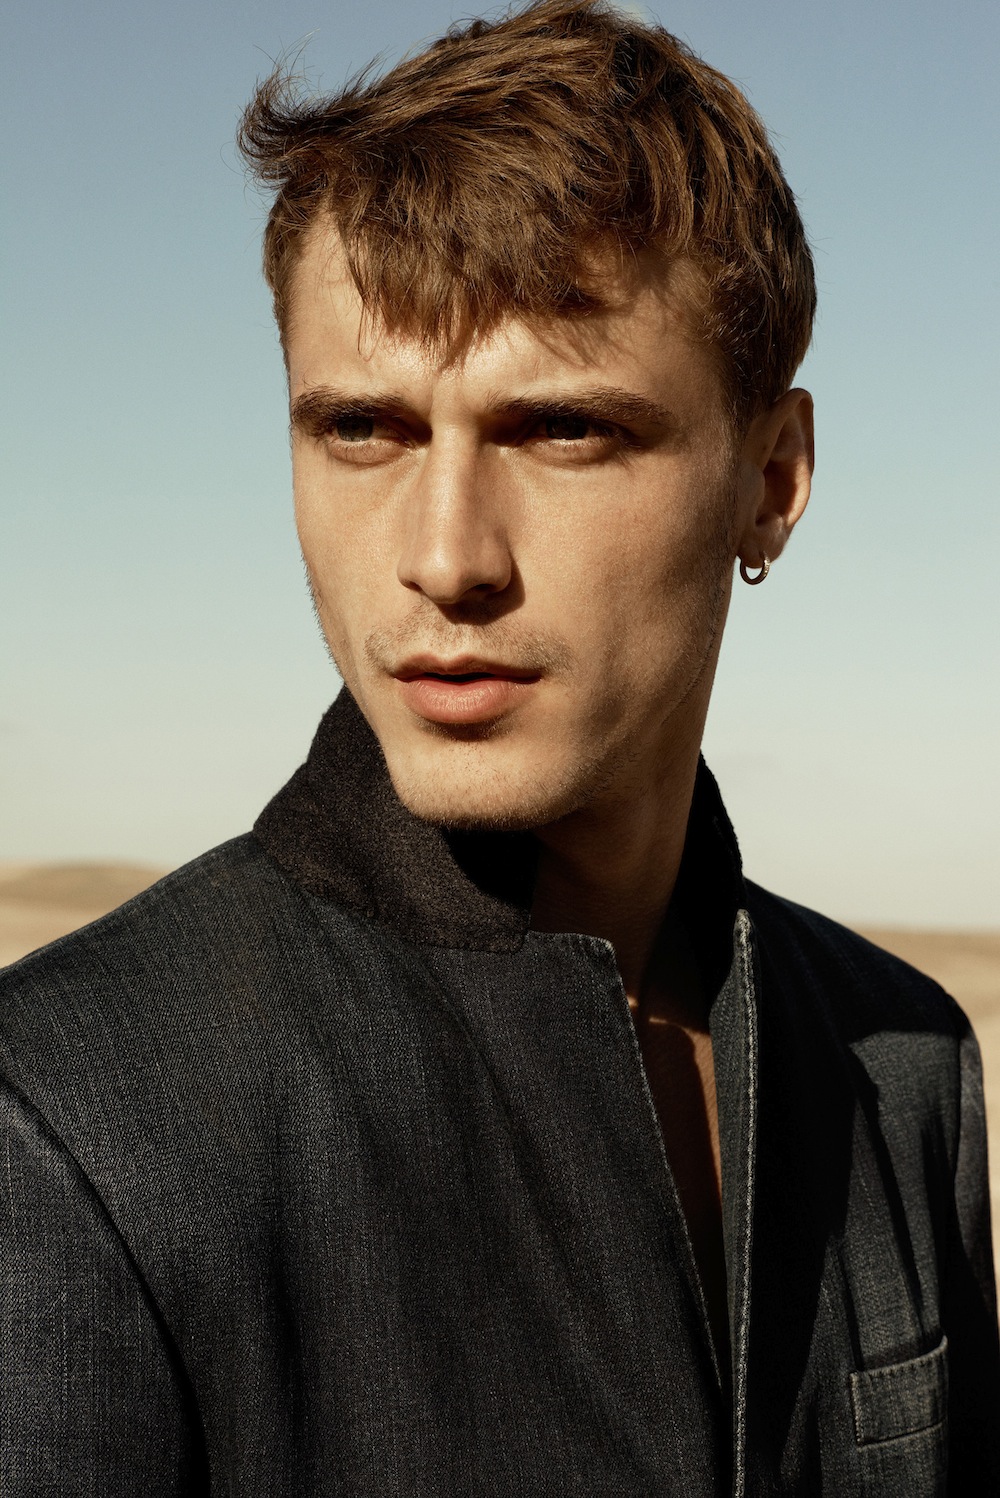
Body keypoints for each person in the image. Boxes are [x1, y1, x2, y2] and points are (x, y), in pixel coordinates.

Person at [2, 0, 997, 1491]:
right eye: (364, 429)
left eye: (562, 431)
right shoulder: (69, 1123)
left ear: (773, 478)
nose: (445, 559)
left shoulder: (901, 1061)